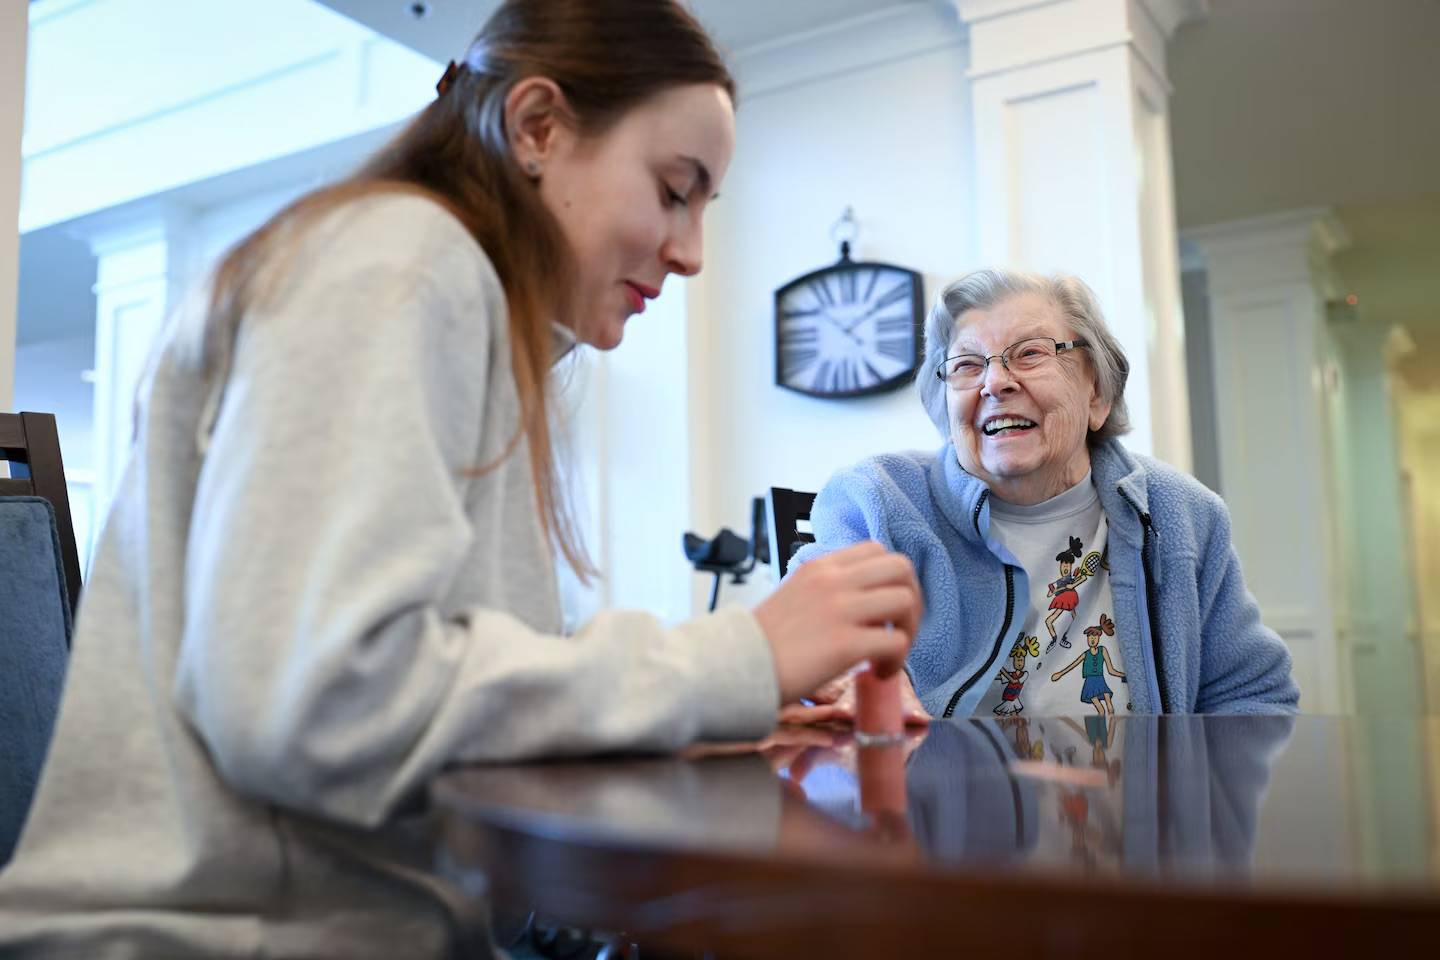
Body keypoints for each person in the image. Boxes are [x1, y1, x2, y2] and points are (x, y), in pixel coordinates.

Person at [0, 2, 921, 956]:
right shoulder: (400, 264)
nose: (691, 252)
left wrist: (728, 698)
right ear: (537, 128)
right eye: (674, 189)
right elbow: (322, 702)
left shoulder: (454, 306)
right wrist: (735, 660)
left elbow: (432, 691)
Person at [783, 268, 1298, 723]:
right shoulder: (878, 501)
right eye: (966, 365)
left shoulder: (1180, 514)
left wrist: (1193, 817)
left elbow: (1252, 696)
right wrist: (850, 682)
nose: (994, 382)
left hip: (1133, 823)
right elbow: (799, 651)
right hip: (938, 819)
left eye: (1030, 354)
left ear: (1097, 393)